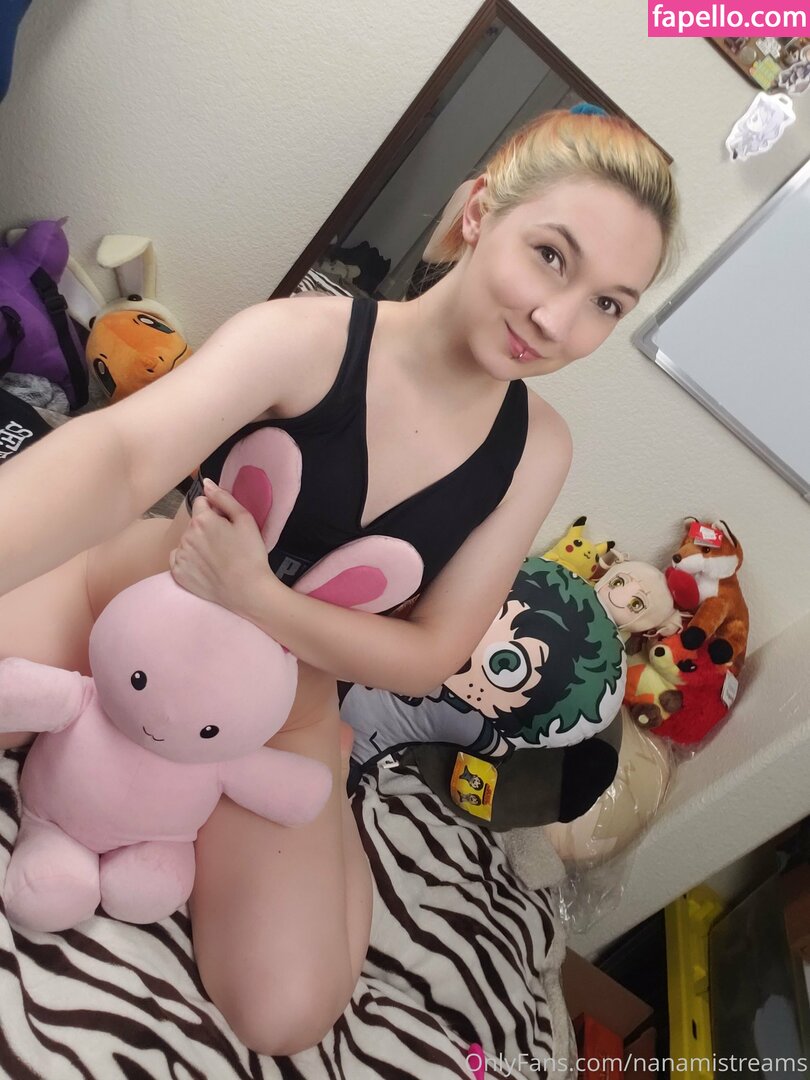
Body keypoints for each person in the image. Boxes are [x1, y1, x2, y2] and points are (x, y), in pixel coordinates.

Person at [0, 108, 678, 1055]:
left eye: (608, 303)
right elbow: (121, 454)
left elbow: (432, 654)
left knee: (284, 1013)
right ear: (480, 213)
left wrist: (262, 600)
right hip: (122, 604)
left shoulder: (536, 451)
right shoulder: (305, 337)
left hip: (283, 715)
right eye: (551, 257)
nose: (558, 322)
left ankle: (327, 838)